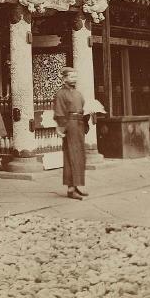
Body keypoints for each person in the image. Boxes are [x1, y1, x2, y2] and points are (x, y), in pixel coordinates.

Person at [53, 67, 88, 200]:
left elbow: (83, 108)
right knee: (70, 155)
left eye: (75, 76)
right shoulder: (61, 94)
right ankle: (70, 189)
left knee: (79, 156)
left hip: (79, 123)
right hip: (70, 124)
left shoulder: (78, 93)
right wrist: (61, 128)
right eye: (72, 76)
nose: (74, 79)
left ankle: (77, 185)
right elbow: (59, 112)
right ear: (65, 79)